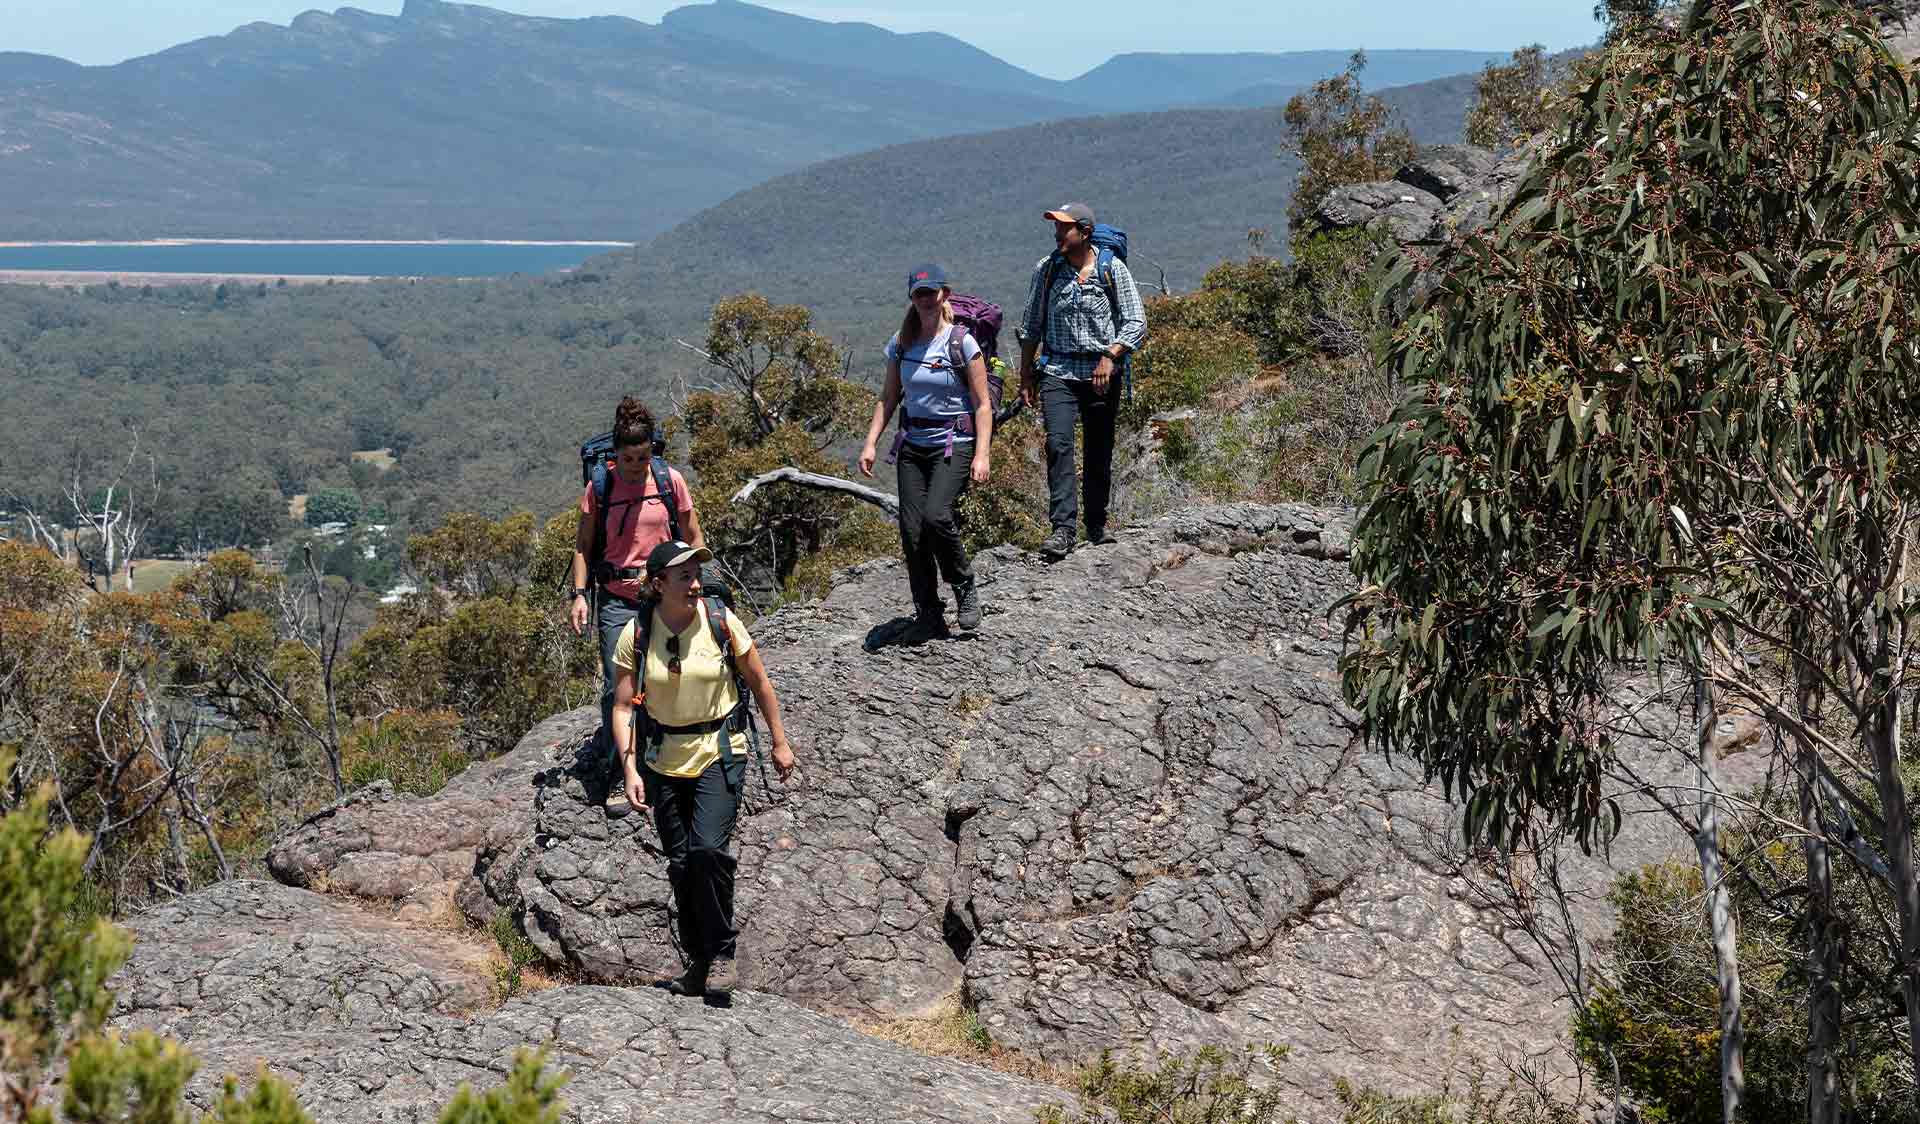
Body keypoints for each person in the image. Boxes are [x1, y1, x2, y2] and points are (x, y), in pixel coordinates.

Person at [610, 539, 796, 999]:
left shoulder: (720, 621)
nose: (695, 584)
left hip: (720, 748)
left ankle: (722, 953)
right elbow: (622, 707)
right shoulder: (636, 633)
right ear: (658, 584)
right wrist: (630, 770)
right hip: (662, 758)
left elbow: (759, 680)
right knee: (680, 865)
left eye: (696, 574)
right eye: (683, 577)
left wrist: (779, 741)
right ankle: (698, 961)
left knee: (707, 853)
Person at [857, 263, 994, 633]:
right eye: (918, 294)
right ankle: (929, 613)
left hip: (954, 442)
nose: (925, 300)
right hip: (912, 445)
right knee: (912, 530)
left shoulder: (962, 342)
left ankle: (963, 584)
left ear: (944, 295)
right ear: (912, 298)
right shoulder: (901, 344)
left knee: (936, 516)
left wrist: (982, 454)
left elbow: (983, 404)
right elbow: (888, 398)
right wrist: (871, 443)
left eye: (931, 293)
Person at [567, 396, 704, 758]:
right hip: (616, 597)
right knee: (618, 685)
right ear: (615, 453)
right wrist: (579, 595)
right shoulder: (600, 488)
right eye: (627, 458)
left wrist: (695, 585)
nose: (635, 466)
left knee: (672, 674)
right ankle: (620, 768)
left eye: (642, 458)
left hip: (664, 594)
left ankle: (671, 754)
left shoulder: (668, 480)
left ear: (652, 452)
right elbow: (582, 545)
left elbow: (693, 536)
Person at [1016, 202, 1148, 560]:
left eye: (1065, 228)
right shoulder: (1047, 271)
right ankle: (1063, 529)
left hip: (1100, 373)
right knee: (1058, 445)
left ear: (1084, 233)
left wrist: (1110, 355)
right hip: (1057, 370)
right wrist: (1026, 374)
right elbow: (1031, 325)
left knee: (1099, 447)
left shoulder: (1111, 269)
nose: (1057, 234)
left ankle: (1096, 523)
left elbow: (1136, 321)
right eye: (1057, 228)